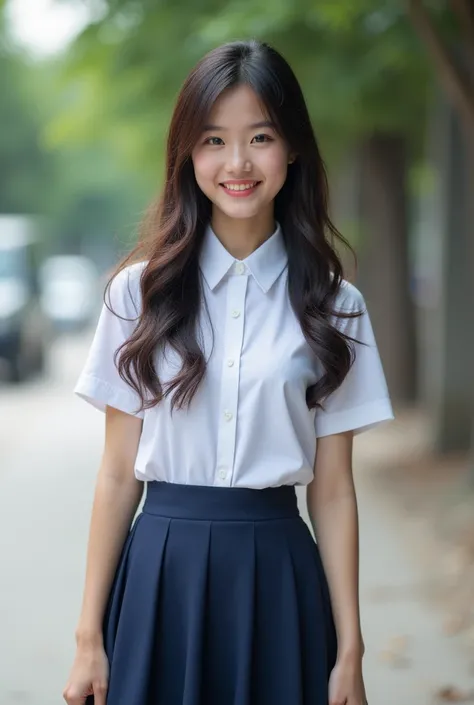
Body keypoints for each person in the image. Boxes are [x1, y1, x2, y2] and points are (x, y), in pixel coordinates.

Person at [62, 39, 393, 705]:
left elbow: (332, 492)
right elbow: (118, 473)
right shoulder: (137, 295)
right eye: (213, 139)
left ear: (292, 148)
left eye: (260, 137)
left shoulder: (336, 306)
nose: (237, 162)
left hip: (278, 579)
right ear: (187, 153)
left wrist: (351, 648)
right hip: (159, 574)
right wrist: (89, 637)